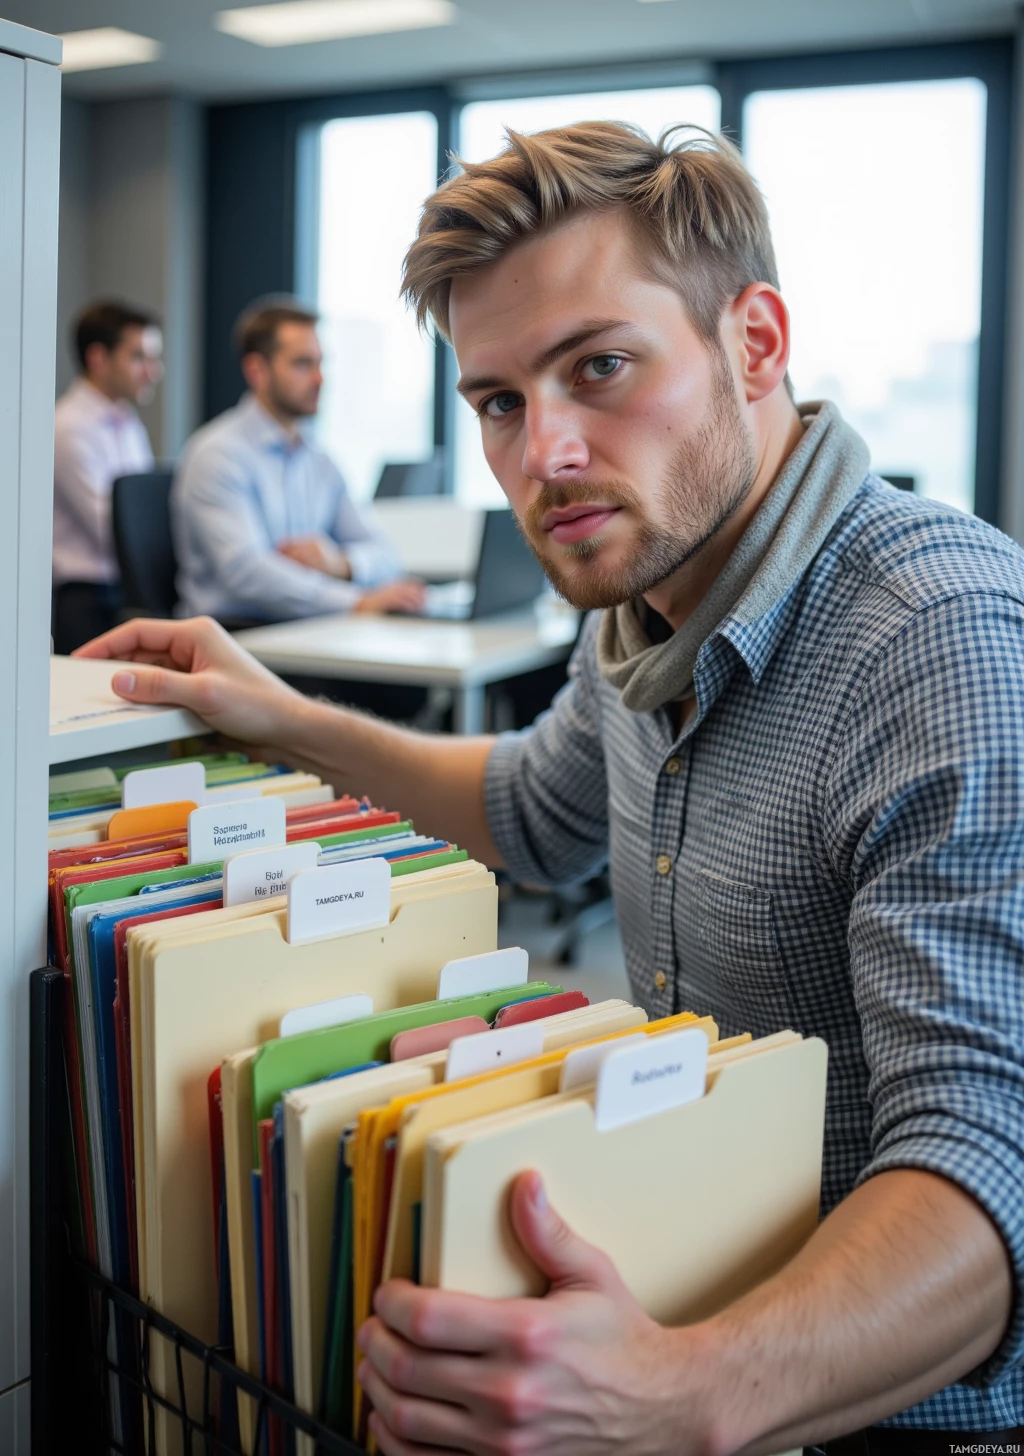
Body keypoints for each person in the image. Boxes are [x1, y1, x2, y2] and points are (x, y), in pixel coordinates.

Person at [78, 124, 1024, 1455]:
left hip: (886, 1415)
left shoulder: (941, 642)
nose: (547, 455)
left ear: (754, 343)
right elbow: (536, 807)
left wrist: (685, 1396)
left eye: (602, 368)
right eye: (502, 403)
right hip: (686, 1324)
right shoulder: (647, 595)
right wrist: (283, 719)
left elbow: (991, 1183)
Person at [172, 298, 424, 622]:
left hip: (305, 629)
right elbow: (246, 572)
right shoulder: (218, 454)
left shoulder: (319, 461)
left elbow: (387, 554)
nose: (320, 379)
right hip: (236, 635)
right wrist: (355, 601)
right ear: (257, 371)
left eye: (321, 363)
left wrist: (341, 564)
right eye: (303, 364)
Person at [51, 299, 162, 652]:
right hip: (86, 599)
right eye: (139, 357)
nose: (153, 371)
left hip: (122, 590)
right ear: (99, 359)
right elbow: (114, 527)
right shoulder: (69, 427)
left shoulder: (126, 422)